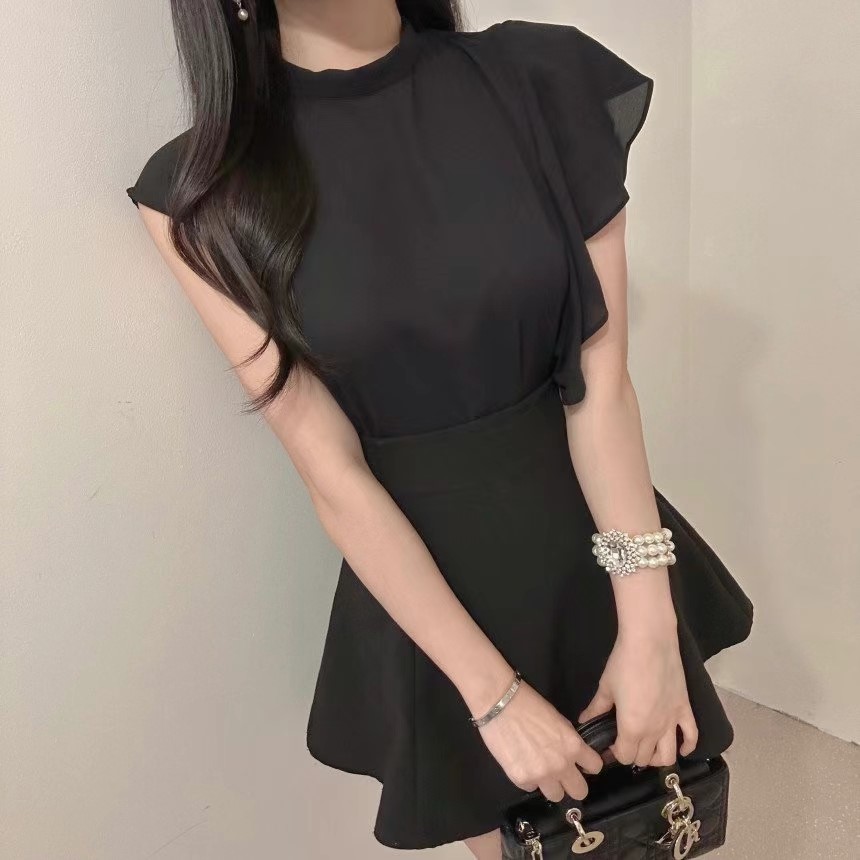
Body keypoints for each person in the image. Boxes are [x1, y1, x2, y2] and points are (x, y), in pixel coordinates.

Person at [125, 2, 753, 857]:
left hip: (597, 548)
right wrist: (494, 698)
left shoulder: (543, 78)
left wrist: (647, 627)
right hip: (437, 602)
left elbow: (601, 383)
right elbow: (331, 471)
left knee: (659, 826)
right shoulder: (199, 192)